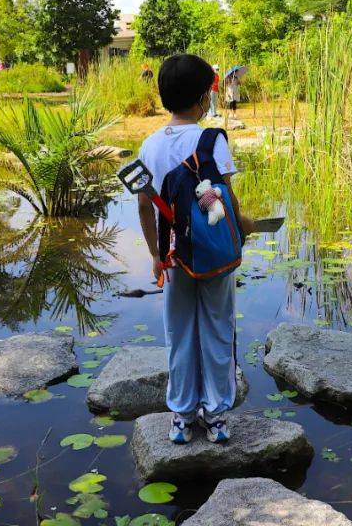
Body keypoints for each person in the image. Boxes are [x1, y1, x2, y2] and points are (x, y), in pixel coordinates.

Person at [136, 54, 255, 446]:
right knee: (218, 329)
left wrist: (155, 255)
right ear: (205, 97)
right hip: (213, 255)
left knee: (179, 333)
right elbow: (228, 198)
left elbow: (144, 206)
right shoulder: (211, 140)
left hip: (173, 256)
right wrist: (244, 226)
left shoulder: (149, 145)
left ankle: (182, 416)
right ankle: (216, 416)